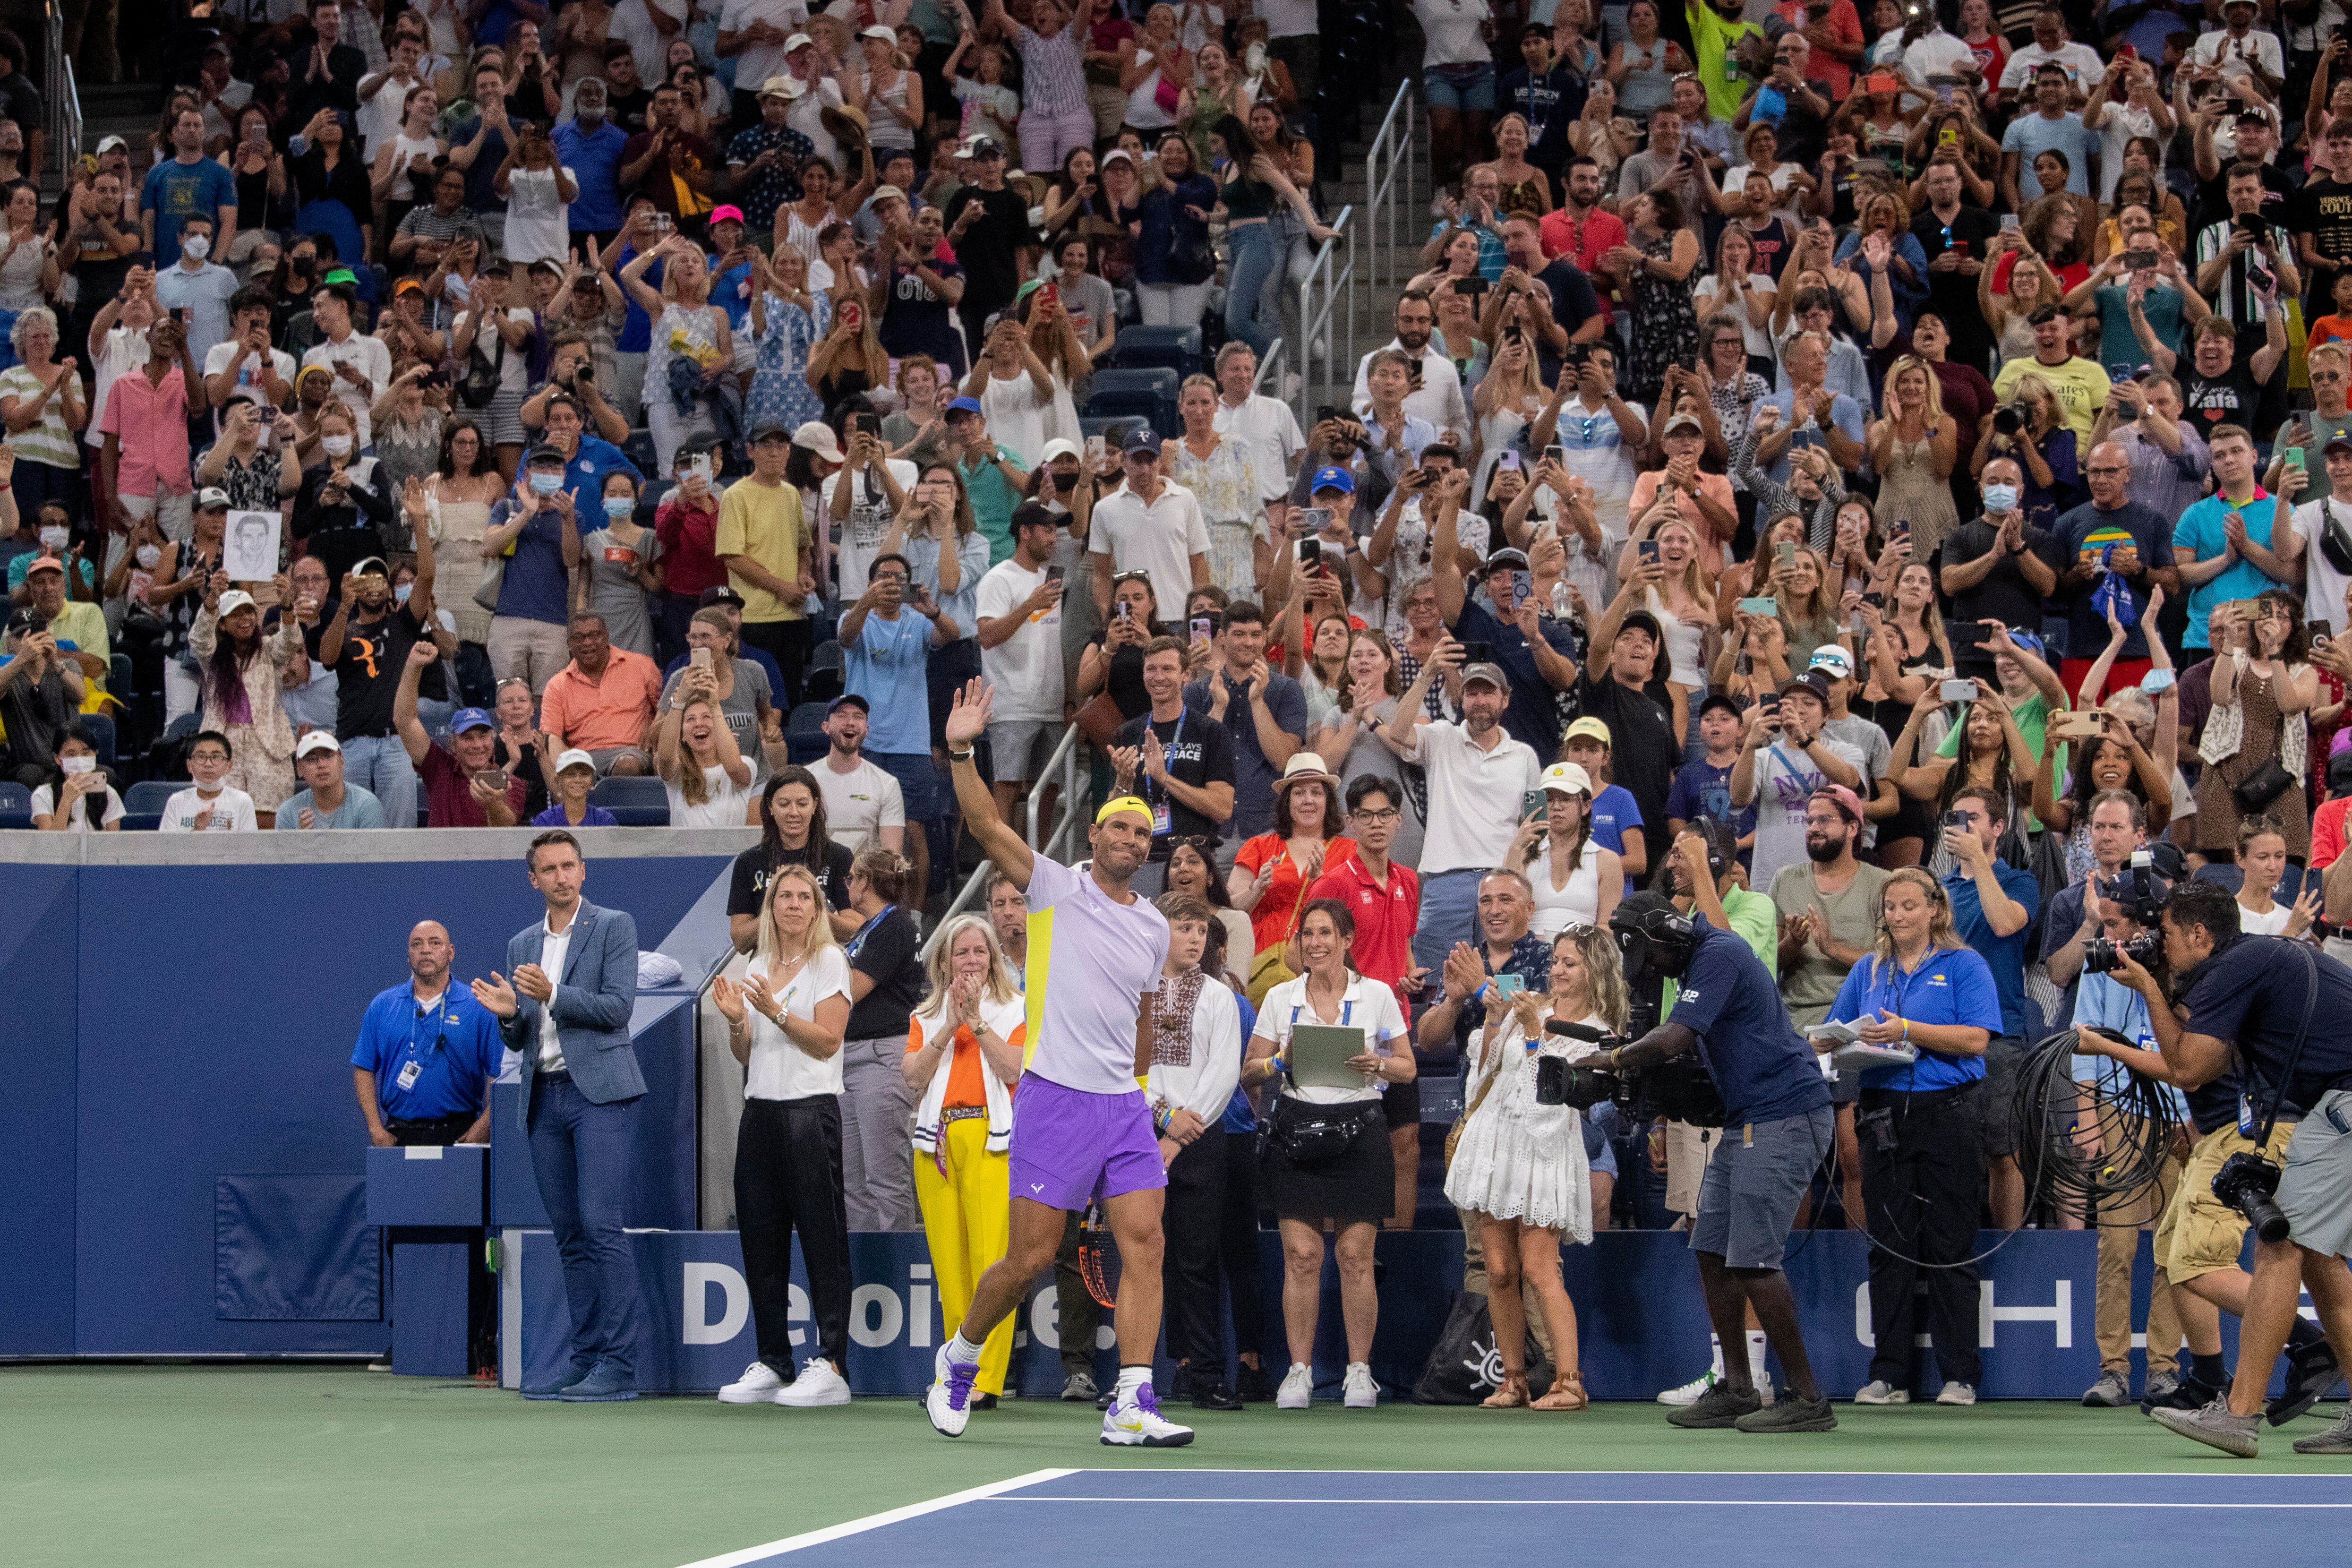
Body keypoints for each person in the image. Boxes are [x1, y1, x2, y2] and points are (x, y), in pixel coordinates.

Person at [922, 680, 1193, 1448]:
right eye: (1119, 828)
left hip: (1120, 1108)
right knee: (1028, 1258)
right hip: (1054, 1101)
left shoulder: (1152, 928)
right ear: (1094, 833)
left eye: (1142, 836)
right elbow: (981, 820)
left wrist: (1138, 1093)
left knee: (1146, 1242)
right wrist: (963, 748)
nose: (1131, 842)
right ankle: (960, 1357)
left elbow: (1144, 1019)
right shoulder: (1053, 888)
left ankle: (1132, 1400)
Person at [2110, 883, 2352, 1457]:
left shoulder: (2235, 964)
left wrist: (2147, 987)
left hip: (2340, 1106)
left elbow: (2190, 1068)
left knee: (2280, 1246)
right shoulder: (2254, 959)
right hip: (2335, 1104)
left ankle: (2237, 1415)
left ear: (2199, 934)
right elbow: (2208, 1060)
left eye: (2165, 936)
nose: (2159, 948)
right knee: (2320, 1262)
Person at [1593, 900, 1838, 1433]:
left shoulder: (1719, 951)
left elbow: (1675, 1039)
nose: (1650, 966)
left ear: (1668, 934)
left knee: (1752, 1258)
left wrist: (1610, 1060)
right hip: (1749, 1117)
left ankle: (1808, 1397)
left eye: (1650, 954)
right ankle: (1736, 1387)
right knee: (1710, 1248)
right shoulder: (1689, 962)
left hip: (1785, 1113)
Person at [471, 830, 645, 1402]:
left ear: (583, 870)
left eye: (569, 865)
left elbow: (618, 1009)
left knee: (601, 1227)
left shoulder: (613, 925)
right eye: (549, 869)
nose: (561, 876)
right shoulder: (521, 942)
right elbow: (523, 1032)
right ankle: (586, 1357)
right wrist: (505, 1017)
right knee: (570, 1235)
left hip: (599, 1095)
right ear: (534, 879)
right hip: (543, 1096)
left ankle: (619, 1368)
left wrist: (552, 993)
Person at [1824, 867, 2003, 1406]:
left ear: (1933, 909)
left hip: (1947, 1111)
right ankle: (1889, 1374)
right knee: (1889, 1245)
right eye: (1890, 907)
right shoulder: (1867, 970)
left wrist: (1905, 1030)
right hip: (1881, 1114)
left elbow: (1975, 1039)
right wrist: (1828, 1042)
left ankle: (1960, 1375)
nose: (1898, 915)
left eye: (1908, 906)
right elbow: (1837, 1034)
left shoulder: (1963, 964)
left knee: (1951, 1243)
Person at [1446, 922, 1627, 1409]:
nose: (1558, 970)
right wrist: (1493, 1018)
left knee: (1540, 1269)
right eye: (1555, 962)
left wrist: (1530, 1035)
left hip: (1542, 1154)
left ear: (1596, 969)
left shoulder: (1599, 1032)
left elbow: (1546, 1100)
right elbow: (1484, 1072)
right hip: (1496, 1148)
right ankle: (1513, 1380)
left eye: (1570, 963)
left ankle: (1569, 1382)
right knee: (1499, 1270)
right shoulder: (1533, 1003)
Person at [1242, 895, 1412, 1410]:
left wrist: (1376, 1064)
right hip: (1296, 1128)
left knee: (1355, 1256)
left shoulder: (1378, 995)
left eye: (1324, 934)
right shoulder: (1279, 997)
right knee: (1301, 1256)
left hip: (1359, 1127)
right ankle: (1299, 1371)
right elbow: (1249, 1071)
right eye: (1306, 935)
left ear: (1346, 940)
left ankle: (1359, 1372)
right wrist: (1279, 1060)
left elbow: (1406, 1067)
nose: (1313, 943)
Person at [709, 862, 856, 1410]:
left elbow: (827, 1041)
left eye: (804, 897)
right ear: (770, 906)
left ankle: (833, 1362)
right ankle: (773, 1359)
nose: (793, 904)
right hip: (760, 1114)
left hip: (809, 1113)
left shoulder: (828, 961)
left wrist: (773, 1008)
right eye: (783, 896)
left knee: (822, 1240)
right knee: (761, 1243)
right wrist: (735, 1021)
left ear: (817, 911)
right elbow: (747, 1053)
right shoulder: (757, 961)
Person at [900, 913, 1026, 1407]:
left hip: (995, 1142)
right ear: (945, 960)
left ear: (993, 958)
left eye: (979, 951)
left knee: (991, 1261)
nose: (971, 960)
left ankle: (985, 1379)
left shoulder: (1017, 1009)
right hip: (936, 1143)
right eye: (961, 952)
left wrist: (976, 1021)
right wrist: (950, 1023)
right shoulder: (925, 1014)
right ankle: (954, 1371)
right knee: (949, 1268)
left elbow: (1015, 1067)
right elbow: (912, 1076)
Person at [1146, 892, 1248, 1411]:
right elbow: (1128, 1062)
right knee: (1147, 1258)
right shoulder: (1135, 991)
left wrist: (1182, 1127)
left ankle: (1205, 1372)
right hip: (1142, 1133)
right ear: (1159, 929)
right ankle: (1148, 1372)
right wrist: (1161, 1116)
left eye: (1201, 930)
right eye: (1183, 927)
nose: (1193, 938)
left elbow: (1225, 1071)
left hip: (1202, 1138)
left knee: (1197, 1259)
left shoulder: (1218, 995)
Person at [1384, 646, 1543, 973]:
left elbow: (1535, 823)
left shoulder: (1524, 754)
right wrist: (1426, 673)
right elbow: (1398, 732)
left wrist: (1520, 879)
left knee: (1505, 981)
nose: (1480, 700)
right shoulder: (1442, 737)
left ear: (1505, 700)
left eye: (1489, 692)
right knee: (1436, 982)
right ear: (1461, 700)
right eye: (1472, 693)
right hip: (1446, 881)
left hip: (1503, 880)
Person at [1770, 783, 1882, 1229]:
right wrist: (1791, 945)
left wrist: (1832, 946)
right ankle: (1793, 1265)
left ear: (1853, 827)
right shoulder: (1786, 880)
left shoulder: (1881, 883)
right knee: (1796, 1162)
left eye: (1824, 820)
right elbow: (1770, 962)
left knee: (1853, 1157)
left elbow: (1889, 962)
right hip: (1796, 1029)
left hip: (1854, 1029)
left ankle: (1860, 1256)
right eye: (1809, 820)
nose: (1814, 828)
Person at [351, 919, 505, 1148]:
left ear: (451, 952)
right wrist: (376, 1129)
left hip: (461, 1134)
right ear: (408, 955)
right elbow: (363, 1067)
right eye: (417, 944)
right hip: (399, 1135)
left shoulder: (478, 1005)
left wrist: (485, 1125)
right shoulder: (383, 1006)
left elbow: (500, 1072)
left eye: (435, 943)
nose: (425, 950)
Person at [1108, 635, 1238, 888]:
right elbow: (1112, 814)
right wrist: (1123, 781)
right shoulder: (1130, 733)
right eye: (1151, 669)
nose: (1158, 677)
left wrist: (1165, 778)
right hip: (1140, 861)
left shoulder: (1209, 731)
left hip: (1192, 861)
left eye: (1168, 669)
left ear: (1186, 675)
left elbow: (1223, 808)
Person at [1185, 599, 1307, 850]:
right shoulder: (1196, 693)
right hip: (1211, 828)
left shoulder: (1287, 690)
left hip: (1269, 826)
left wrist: (1258, 702)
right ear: (1221, 637)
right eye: (1239, 634)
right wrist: (1218, 708)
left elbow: (1284, 760)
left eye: (1255, 635)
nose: (1248, 642)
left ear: (1264, 638)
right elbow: (1191, 762)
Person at [394, 645, 529, 827]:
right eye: (467, 737)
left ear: (493, 740)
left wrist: (493, 803)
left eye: (483, 736)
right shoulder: (439, 768)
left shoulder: (510, 781)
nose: (477, 744)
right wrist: (413, 666)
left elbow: (506, 829)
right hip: (441, 855)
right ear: (453, 744)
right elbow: (405, 720)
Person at [540, 611, 663, 777]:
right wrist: (565, 770)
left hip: (632, 752)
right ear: (569, 644)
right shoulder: (558, 684)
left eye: (594, 635)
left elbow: (666, 712)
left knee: (627, 765)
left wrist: (654, 726)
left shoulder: (641, 666)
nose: (587, 643)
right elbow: (552, 737)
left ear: (606, 636)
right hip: (584, 757)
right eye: (579, 638)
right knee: (577, 774)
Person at [158, 730, 259, 832]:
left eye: (216, 757)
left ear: (229, 766)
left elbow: (250, 847)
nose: (208, 764)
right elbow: (167, 846)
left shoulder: (242, 801)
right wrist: (197, 830)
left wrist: (229, 838)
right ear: (189, 765)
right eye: (201, 757)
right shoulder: (176, 802)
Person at [28, 725, 123, 832]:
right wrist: (66, 801)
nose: (80, 760)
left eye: (86, 753)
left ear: (95, 755)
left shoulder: (110, 794)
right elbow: (50, 845)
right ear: (58, 759)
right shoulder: (43, 795)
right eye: (71, 754)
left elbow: (113, 845)